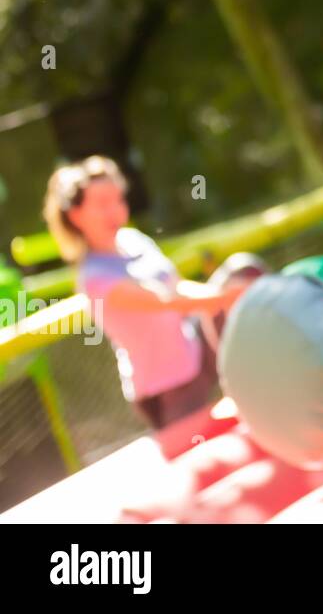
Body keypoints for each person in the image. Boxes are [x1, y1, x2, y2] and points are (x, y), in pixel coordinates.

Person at [43, 156, 258, 431]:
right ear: (75, 216)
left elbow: (177, 288)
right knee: (205, 455)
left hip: (196, 354)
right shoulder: (95, 278)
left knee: (243, 270)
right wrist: (228, 297)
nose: (114, 210)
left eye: (117, 200)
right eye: (102, 204)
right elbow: (167, 302)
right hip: (168, 392)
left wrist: (228, 294)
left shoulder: (132, 240)